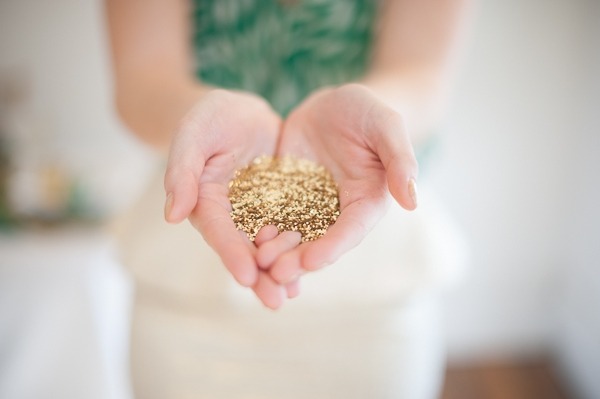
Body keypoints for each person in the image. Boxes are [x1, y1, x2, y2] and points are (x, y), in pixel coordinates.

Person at [106, 0, 471, 398]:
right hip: (187, 274)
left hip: (377, 275)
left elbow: (424, 75)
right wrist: (198, 118)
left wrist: (380, 119)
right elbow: (139, 80)